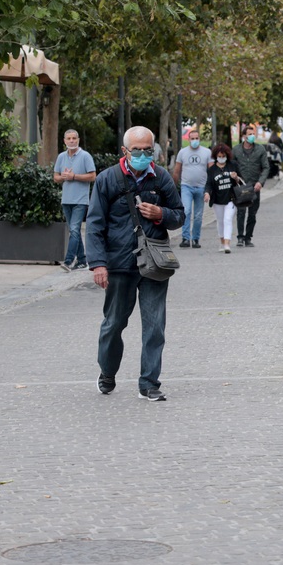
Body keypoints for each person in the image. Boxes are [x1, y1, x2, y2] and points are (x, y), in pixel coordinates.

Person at [85, 126, 184, 402]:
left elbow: (178, 216)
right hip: (118, 264)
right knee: (114, 324)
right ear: (125, 151)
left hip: (154, 264)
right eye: (137, 150)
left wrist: (160, 213)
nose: (142, 154)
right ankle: (107, 371)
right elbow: (94, 225)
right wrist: (98, 264)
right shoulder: (107, 179)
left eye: (147, 150)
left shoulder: (161, 178)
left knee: (155, 326)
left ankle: (149, 382)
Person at [53, 129, 96, 271]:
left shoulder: (85, 156)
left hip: (80, 200)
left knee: (75, 230)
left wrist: (74, 176)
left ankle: (68, 261)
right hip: (66, 199)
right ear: (64, 141)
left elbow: (92, 176)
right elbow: (56, 177)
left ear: (78, 140)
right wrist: (64, 177)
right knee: (74, 231)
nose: (72, 141)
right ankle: (82, 260)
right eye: (69, 138)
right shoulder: (61, 157)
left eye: (74, 138)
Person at [173, 129, 212, 248]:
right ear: (188, 139)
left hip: (201, 187)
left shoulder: (207, 152)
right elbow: (177, 170)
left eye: (197, 138)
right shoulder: (182, 152)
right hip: (186, 187)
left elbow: (211, 171)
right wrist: (174, 186)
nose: (195, 140)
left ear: (199, 139)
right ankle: (185, 238)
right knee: (186, 211)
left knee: (198, 215)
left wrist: (209, 190)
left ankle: (195, 238)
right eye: (192, 138)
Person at [232, 125, 270, 247]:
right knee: (241, 212)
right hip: (241, 186)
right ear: (244, 136)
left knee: (252, 213)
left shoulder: (260, 150)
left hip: (255, 186)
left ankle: (248, 237)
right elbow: (231, 166)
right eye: (249, 134)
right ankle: (240, 237)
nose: (252, 136)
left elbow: (266, 167)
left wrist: (260, 182)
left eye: (253, 133)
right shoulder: (236, 150)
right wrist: (235, 178)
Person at [205, 143, 241, 253]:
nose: (221, 158)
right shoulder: (212, 169)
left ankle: (227, 244)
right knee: (220, 221)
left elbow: (240, 179)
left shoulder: (232, 165)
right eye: (219, 156)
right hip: (217, 199)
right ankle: (222, 241)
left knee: (228, 219)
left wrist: (236, 178)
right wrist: (207, 193)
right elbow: (209, 183)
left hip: (231, 198)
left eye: (223, 156)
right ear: (216, 156)